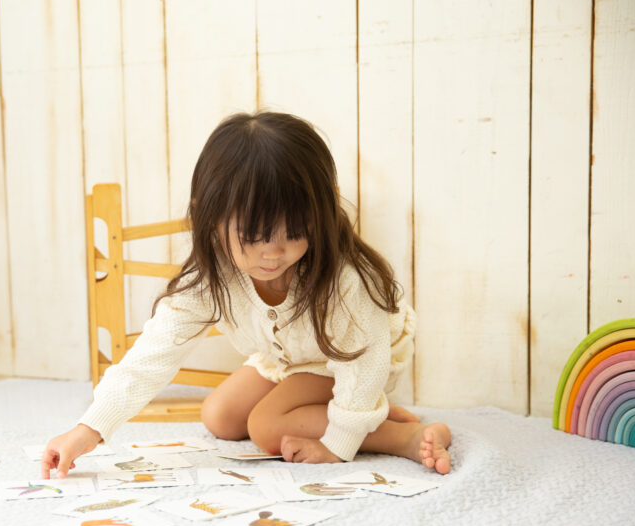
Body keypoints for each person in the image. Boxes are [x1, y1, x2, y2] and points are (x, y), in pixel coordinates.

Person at [41, 111, 451, 480]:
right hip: (288, 359)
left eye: (293, 234)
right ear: (210, 217)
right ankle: (365, 415)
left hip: (346, 358)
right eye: (253, 237)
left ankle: (402, 436)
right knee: (219, 416)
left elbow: (364, 361)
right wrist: (89, 429)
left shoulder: (343, 281)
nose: (272, 254)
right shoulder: (213, 278)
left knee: (265, 425)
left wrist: (339, 443)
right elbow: (156, 351)